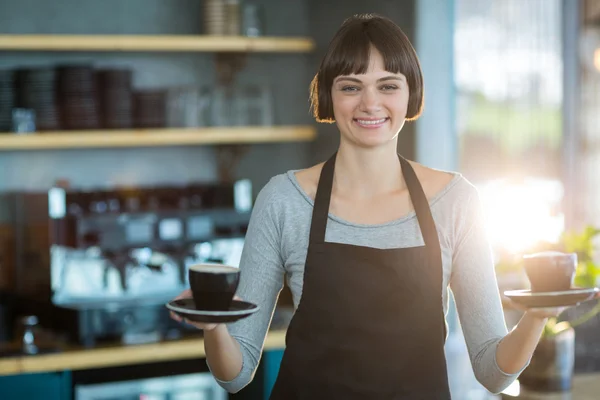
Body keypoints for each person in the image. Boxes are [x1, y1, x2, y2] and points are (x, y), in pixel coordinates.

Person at [170, 13, 562, 399]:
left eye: (388, 86)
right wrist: (213, 326)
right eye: (351, 86)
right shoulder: (283, 200)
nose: (370, 103)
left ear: (412, 94)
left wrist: (539, 312)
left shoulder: (456, 202)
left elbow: (492, 373)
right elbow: (235, 376)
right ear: (329, 96)